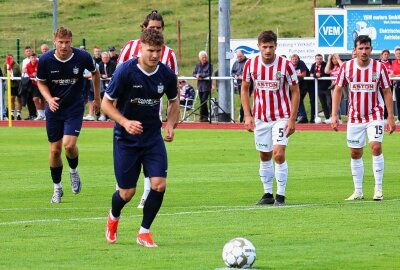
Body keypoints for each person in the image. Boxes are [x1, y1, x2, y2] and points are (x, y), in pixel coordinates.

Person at [103, 28, 179, 247]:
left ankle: (144, 232)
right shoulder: (125, 72)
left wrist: (171, 125)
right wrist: (125, 122)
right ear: (140, 49)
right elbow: (107, 104)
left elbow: (174, 101)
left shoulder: (165, 74)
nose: (154, 55)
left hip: (152, 138)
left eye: (158, 51)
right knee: (126, 193)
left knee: (159, 185)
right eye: (150, 50)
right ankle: (113, 216)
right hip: (125, 140)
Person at [118, 10, 179, 209]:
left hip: (153, 111)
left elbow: (172, 91)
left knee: (153, 164)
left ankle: (146, 194)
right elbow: (119, 76)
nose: (155, 31)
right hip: (128, 112)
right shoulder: (129, 48)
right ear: (144, 28)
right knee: (126, 182)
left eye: (159, 28)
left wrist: (170, 123)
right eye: (152, 28)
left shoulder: (168, 54)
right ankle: (124, 189)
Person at [36, 26, 101, 203]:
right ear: (54, 42)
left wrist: (96, 99)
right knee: (55, 150)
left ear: (71, 42)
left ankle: (73, 172)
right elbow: (41, 83)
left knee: (69, 145)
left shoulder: (82, 57)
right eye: (60, 42)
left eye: (67, 42)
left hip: (74, 108)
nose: (64, 46)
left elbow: (96, 74)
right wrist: (49, 99)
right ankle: (57, 188)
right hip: (55, 109)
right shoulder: (45, 60)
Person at [331, 35, 396, 201]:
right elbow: (338, 90)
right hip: (354, 116)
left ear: (371, 49)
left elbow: (387, 91)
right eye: (361, 48)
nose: (364, 51)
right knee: (355, 152)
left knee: (375, 146)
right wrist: (334, 115)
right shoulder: (346, 67)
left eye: (367, 48)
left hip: (375, 114)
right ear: (355, 50)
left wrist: (390, 116)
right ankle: (358, 191)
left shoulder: (379, 68)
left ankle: (378, 189)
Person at [241, 30, 300, 206]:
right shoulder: (251, 65)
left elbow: (295, 91)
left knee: (279, 153)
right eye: (264, 47)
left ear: (276, 46)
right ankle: (267, 193)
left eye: (271, 47)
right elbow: (244, 88)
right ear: (258, 46)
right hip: (260, 118)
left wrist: (292, 119)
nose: (268, 50)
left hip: (281, 116)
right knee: (265, 155)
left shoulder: (285, 65)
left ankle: (280, 195)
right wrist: (247, 114)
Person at [291, 54, 312, 123]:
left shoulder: (301, 63)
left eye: (296, 59)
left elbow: (303, 75)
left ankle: (303, 117)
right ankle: (300, 116)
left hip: (305, 85)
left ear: (298, 59)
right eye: (293, 59)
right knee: (296, 101)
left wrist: (293, 74)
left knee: (298, 100)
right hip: (296, 86)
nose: (294, 61)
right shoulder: (289, 65)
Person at [193, 50, 213, 122]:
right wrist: (197, 76)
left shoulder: (210, 64)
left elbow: (209, 74)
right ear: (200, 58)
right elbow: (194, 73)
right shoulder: (197, 64)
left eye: (205, 57)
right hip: (200, 86)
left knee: (203, 100)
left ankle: (204, 116)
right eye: (202, 57)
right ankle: (203, 117)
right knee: (202, 101)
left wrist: (201, 76)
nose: (204, 59)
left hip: (207, 86)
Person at [231, 50, 251, 123]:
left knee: (245, 99)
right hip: (239, 83)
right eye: (238, 56)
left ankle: (242, 116)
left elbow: (251, 72)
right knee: (243, 100)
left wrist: (243, 76)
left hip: (248, 83)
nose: (239, 58)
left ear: (243, 55)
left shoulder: (248, 62)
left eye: (240, 56)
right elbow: (232, 72)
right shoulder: (236, 63)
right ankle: (248, 116)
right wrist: (235, 76)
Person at [310, 54, 331, 123]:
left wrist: (319, 75)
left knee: (329, 102)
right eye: (317, 59)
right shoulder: (313, 65)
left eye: (320, 59)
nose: (319, 60)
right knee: (323, 104)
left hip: (327, 87)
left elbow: (326, 73)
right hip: (319, 88)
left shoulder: (325, 64)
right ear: (315, 59)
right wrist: (315, 75)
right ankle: (327, 118)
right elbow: (311, 73)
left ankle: (333, 117)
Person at [25, 53, 45, 120]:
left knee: (43, 99)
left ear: (36, 57)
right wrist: (32, 75)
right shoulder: (28, 65)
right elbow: (28, 74)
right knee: (35, 99)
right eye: (32, 57)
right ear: (30, 58)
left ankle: (44, 114)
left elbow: (44, 72)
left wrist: (38, 74)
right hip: (35, 84)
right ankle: (40, 114)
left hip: (43, 83)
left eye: (34, 57)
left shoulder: (40, 64)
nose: (33, 59)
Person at [324, 53, 343, 122]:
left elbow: (344, 67)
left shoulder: (341, 66)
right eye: (333, 59)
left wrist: (338, 59)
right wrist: (329, 60)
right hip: (333, 87)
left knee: (338, 102)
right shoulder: (332, 67)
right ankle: (333, 117)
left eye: (335, 59)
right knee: (331, 102)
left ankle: (339, 118)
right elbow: (326, 71)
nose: (334, 60)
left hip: (341, 86)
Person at [98, 51, 116, 121]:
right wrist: (102, 76)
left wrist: (107, 76)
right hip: (103, 84)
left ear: (109, 58)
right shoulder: (100, 64)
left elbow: (113, 73)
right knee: (103, 99)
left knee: (113, 99)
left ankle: (113, 116)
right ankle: (103, 115)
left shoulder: (112, 64)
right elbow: (99, 73)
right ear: (102, 58)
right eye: (103, 58)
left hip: (111, 84)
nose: (105, 59)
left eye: (106, 57)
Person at [3, 54, 22, 120]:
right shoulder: (5, 65)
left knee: (19, 99)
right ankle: (11, 114)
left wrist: (10, 74)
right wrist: (8, 75)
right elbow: (5, 73)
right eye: (8, 59)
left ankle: (19, 114)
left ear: (13, 58)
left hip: (18, 84)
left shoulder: (16, 65)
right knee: (12, 98)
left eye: (11, 58)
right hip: (11, 85)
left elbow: (15, 73)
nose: (10, 60)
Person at [390, 46, 400, 124]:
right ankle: (399, 119)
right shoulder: (394, 62)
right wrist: (392, 74)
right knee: (398, 102)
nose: (398, 55)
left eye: (399, 53)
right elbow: (392, 73)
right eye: (396, 54)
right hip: (397, 84)